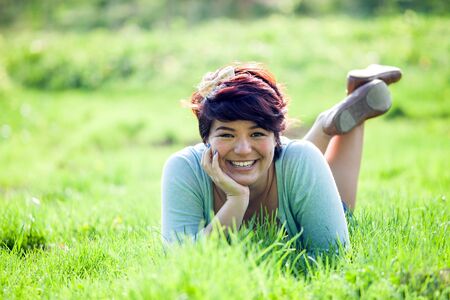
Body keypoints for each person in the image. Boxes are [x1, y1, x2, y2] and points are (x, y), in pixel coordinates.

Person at [161, 63, 401, 251]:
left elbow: (334, 254)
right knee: (290, 161)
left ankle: (354, 98)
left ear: (277, 136)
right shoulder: (184, 169)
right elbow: (180, 260)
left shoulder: (302, 159)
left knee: (342, 211)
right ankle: (334, 115)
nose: (243, 148)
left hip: (297, 163)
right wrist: (235, 200)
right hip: (289, 163)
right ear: (206, 139)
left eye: (257, 133)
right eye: (226, 134)